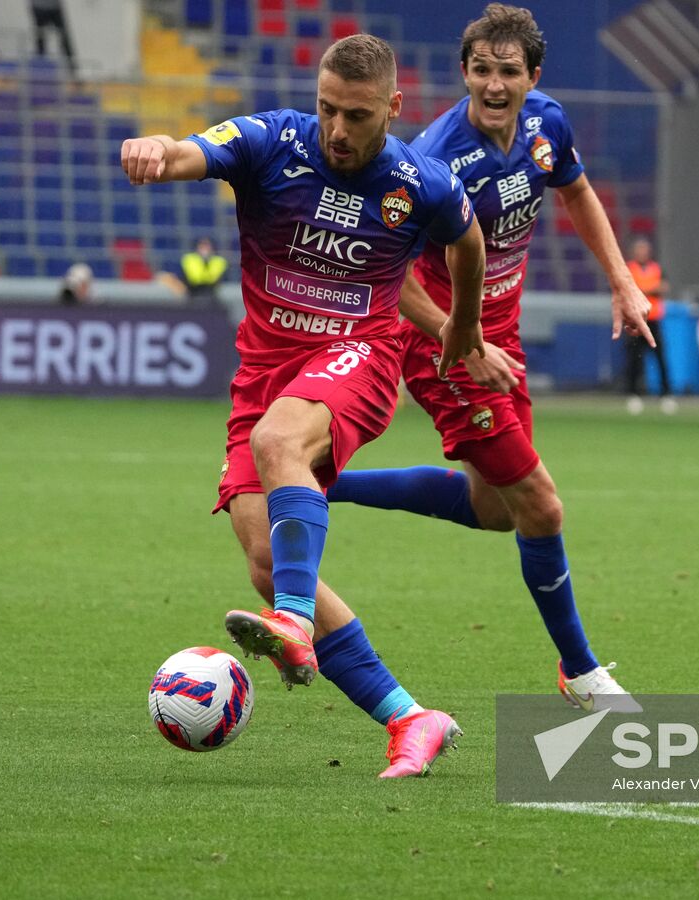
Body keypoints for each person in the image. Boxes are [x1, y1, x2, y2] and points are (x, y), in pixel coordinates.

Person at [121, 34, 487, 777]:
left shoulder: (420, 181)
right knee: (266, 560)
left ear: (392, 107)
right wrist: (161, 148)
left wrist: (465, 324)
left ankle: (291, 624)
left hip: (362, 358)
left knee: (279, 443)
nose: (337, 130)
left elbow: (467, 240)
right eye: (327, 109)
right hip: (265, 370)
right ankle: (411, 718)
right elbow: (197, 150)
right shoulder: (273, 140)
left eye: (355, 115)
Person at [327, 4, 653, 712]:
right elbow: (394, 277)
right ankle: (582, 671)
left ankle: (319, 483)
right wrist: (462, 341)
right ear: (465, 74)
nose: (495, 85)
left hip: (495, 339)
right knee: (540, 505)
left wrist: (623, 282)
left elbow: (577, 192)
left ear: (533, 76)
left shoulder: (548, 124)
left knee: (497, 509)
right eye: (482, 70)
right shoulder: (434, 158)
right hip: (441, 345)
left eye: (509, 72)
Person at [622, 236, 675, 414]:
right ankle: (633, 395)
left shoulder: (656, 268)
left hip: (654, 318)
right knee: (634, 358)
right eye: (639, 249)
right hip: (635, 319)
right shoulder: (629, 268)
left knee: (660, 357)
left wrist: (642, 289)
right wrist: (650, 288)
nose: (642, 253)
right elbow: (626, 288)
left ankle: (666, 395)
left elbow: (664, 287)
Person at [30, 0, 77, 77]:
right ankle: (39, 70)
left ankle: (73, 71)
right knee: (41, 39)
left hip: (54, 7)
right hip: (39, 7)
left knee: (64, 38)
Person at [180, 236, 228, 304]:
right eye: (202, 246)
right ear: (197, 247)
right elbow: (195, 278)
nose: (204, 249)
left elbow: (213, 278)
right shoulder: (189, 259)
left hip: (211, 294)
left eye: (207, 246)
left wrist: (206, 263)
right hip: (192, 293)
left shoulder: (219, 261)